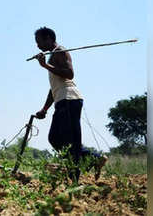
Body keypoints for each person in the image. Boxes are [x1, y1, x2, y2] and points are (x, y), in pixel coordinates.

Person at [32, 27, 108, 180]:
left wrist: (45, 66)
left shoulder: (60, 51)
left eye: (39, 42)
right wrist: (44, 109)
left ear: (48, 38)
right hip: (62, 99)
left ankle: (74, 177)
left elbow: (69, 73)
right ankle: (93, 158)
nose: (38, 46)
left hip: (69, 99)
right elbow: (54, 87)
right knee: (55, 138)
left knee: (69, 141)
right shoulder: (53, 55)